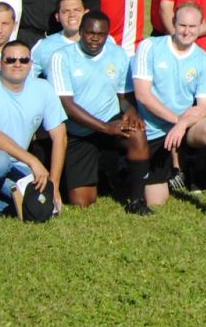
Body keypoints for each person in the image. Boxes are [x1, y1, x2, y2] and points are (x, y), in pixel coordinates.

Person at [132, 2, 206, 218]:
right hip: (153, 129)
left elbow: (204, 107)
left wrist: (182, 124)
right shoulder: (150, 47)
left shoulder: (204, 60)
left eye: (193, 26)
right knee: (156, 200)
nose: (187, 31)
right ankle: (163, 172)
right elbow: (143, 95)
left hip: (184, 129)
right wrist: (176, 120)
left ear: (201, 26)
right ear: (173, 24)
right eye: (182, 25)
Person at [50, 11, 151, 211]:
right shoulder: (61, 57)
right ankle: (98, 175)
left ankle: (137, 200)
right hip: (79, 132)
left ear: (107, 34)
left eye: (101, 34)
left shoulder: (118, 53)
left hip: (111, 121)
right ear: (80, 32)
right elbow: (67, 106)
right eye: (90, 33)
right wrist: (105, 128)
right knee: (82, 202)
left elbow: (123, 96)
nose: (95, 38)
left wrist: (130, 111)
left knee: (137, 134)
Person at [0, 40, 68, 220]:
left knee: (41, 210)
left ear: (30, 64)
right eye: (10, 60)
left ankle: (0, 202)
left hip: (17, 163)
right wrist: (33, 161)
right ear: (0, 64)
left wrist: (53, 185)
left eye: (23, 60)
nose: (17, 64)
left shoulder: (43, 88)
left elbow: (60, 136)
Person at [29, 0, 86, 79]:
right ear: (58, 17)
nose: (72, 15)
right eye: (65, 11)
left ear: (86, 13)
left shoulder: (104, 41)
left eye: (77, 10)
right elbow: (26, 80)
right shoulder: (44, 46)